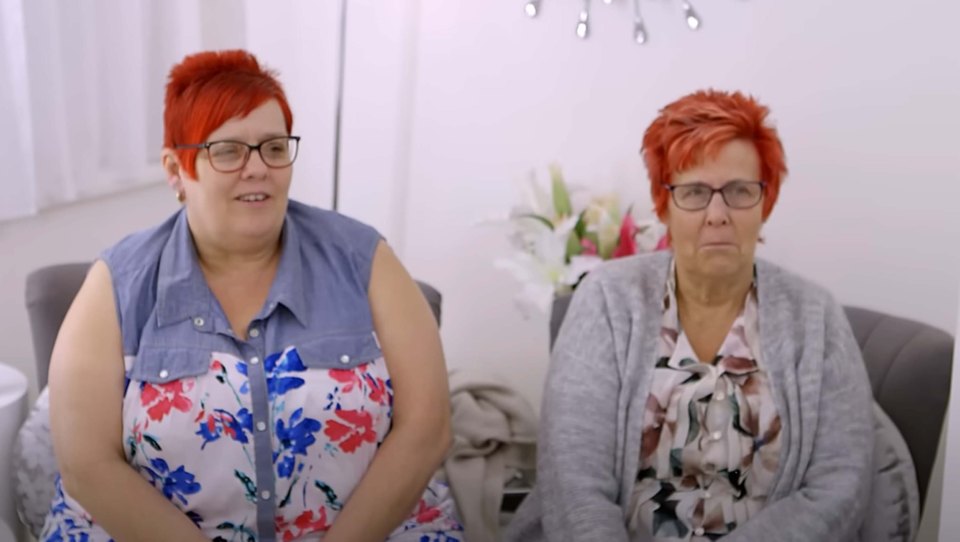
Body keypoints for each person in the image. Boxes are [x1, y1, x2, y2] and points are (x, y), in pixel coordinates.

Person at [42, 50, 463, 542]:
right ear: (177, 170)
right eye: (228, 151)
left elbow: (427, 427)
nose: (257, 168)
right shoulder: (117, 283)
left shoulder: (363, 258)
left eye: (274, 148)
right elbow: (87, 466)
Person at [504, 89, 875, 541]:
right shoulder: (606, 301)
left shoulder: (815, 316)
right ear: (665, 205)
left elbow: (839, 485)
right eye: (695, 192)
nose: (717, 214)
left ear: (765, 201)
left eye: (739, 191)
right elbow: (574, 484)